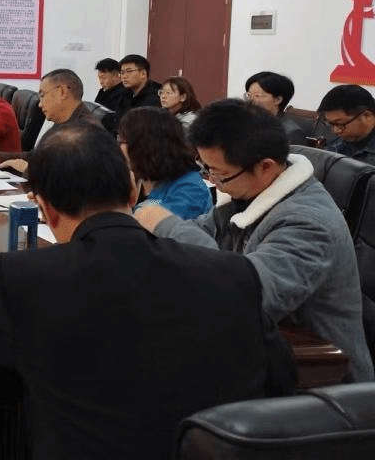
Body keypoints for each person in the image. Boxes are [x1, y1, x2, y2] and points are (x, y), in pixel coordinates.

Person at [0, 122, 296, 460]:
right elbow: (281, 378)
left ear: (46, 209)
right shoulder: (234, 273)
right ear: (132, 191)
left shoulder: (28, 277)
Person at [135, 99, 374, 382]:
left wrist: (166, 223)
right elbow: (201, 233)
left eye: (220, 174)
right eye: (206, 169)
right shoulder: (246, 193)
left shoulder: (308, 222)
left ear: (265, 167)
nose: (212, 181)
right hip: (265, 350)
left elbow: (246, 293)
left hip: (321, 378)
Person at [0, 68, 97, 172]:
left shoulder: (85, 131)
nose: (39, 104)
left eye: (42, 95)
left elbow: (71, 180)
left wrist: (30, 170)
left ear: (61, 92)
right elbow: (38, 156)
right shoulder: (65, 122)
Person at [118, 107, 212, 219]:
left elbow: (157, 225)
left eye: (122, 140)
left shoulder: (190, 189)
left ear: (143, 145)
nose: (119, 146)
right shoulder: (145, 179)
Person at [317, 84, 375, 164]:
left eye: (340, 124)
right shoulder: (336, 146)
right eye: (330, 124)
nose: (336, 131)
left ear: (367, 116)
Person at [245, 71, 306, 144]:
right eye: (249, 95)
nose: (250, 100)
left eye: (257, 96)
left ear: (278, 100)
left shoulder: (290, 133)